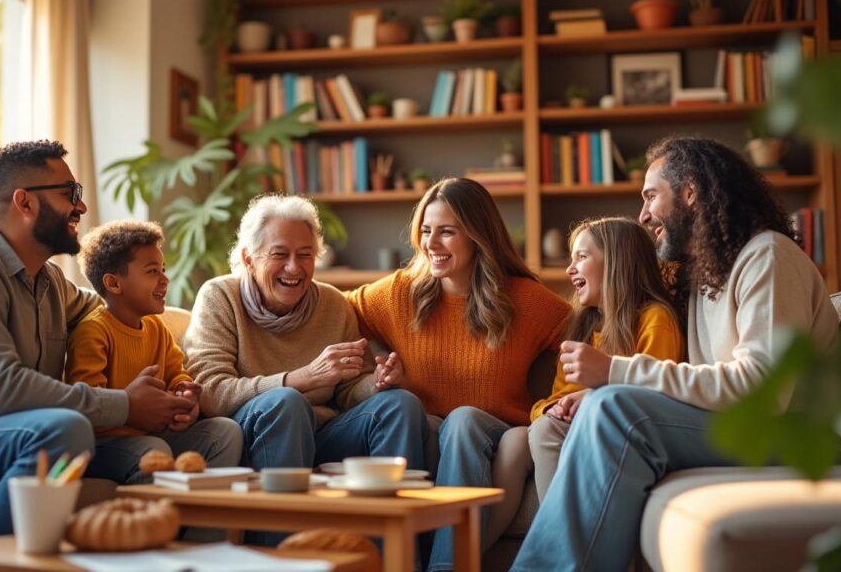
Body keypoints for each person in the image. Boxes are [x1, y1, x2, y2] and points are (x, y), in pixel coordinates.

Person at [510, 136, 839, 571]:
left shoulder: (768, 257)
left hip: (799, 436)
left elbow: (764, 390)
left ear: (689, 193)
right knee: (603, 405)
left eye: (651, 196)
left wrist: (617, 372)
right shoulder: (704, 278)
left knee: (614, 407)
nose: (643, 215)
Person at [0, 140, 195, 535]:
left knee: (209, 439)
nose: (81, 207)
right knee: (65, 429)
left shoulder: (49, 283)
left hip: (18, 432)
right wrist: (125, 405)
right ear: (24, 202)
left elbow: (115, 312)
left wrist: (178, 391)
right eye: (71, 194)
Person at [346, 177, 571, 572]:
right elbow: (337, 312)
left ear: (479, 236)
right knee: (445, 421)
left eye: (446, 232)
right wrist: (373, 366)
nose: (431, 243)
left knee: (465, 419)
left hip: (495, 429)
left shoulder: (523, 300)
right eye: (426, 231)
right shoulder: (402, 293)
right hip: (430, 430)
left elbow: (591, 335)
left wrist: (564, 398)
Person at [184, 194, 428, 476]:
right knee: (287, 401)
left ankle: (394, 518)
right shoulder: (220, 297)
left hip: (323, 433)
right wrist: (301, 378)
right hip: (255, 430)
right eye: (279, 254)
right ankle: (285, 518)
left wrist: (376, 382)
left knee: (400, 404)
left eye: (305, 255)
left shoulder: (333, 304)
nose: (294, 267)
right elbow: (210, 391)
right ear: (248, 259)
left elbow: (348, 390)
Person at [64, 220, 243, 483]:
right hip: (106, 443)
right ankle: (154, 522)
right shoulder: (93, 332)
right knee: (153, 451)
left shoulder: (155, 327)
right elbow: (88, 408)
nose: (165, 279)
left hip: (152, 435)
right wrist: (131, 405)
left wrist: (186, 398)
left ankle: (203, 524)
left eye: (163, 269)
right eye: (152, 271)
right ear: (114, 283)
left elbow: (177, 372)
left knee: (225, 432)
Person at [527, 217, 684, 501]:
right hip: (579, 428)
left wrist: (587, 397)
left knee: (545, 432)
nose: (569, 268)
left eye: (582, 257)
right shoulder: (583, 328)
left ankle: (556, 538)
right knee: (532, 433)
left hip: (626, 433)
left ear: (616, 263)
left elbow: (654, 392)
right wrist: (553, 408)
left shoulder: (655, 320)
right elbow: (557, 398)